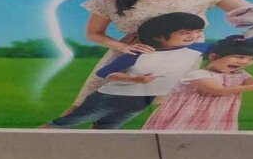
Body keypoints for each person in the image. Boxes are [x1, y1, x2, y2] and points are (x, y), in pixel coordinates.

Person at [69, 0, 251, 107]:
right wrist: (122, 47)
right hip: (130, 57)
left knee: (170, 109)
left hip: (181, 58)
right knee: (87, 106)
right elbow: (94, 33)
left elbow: (251, 15)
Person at [45, 13, 207, 130]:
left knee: (107, 128)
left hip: (141, 102)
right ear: (159, 37)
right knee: (67, 122)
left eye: (198, 31)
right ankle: (37, 138)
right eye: (185, 33)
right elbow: (104, 73)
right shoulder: (140, 53)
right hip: (110, 98)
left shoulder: (196, 49)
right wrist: (134, 79)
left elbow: (220, 47)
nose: (194, 36)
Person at [142, 35, 253, 132]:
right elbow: (218, 91)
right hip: (188, 114)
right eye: (239, 56)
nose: (245, 62)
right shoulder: (198, 74)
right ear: (213, 57)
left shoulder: (240, 74)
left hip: (219, 114)